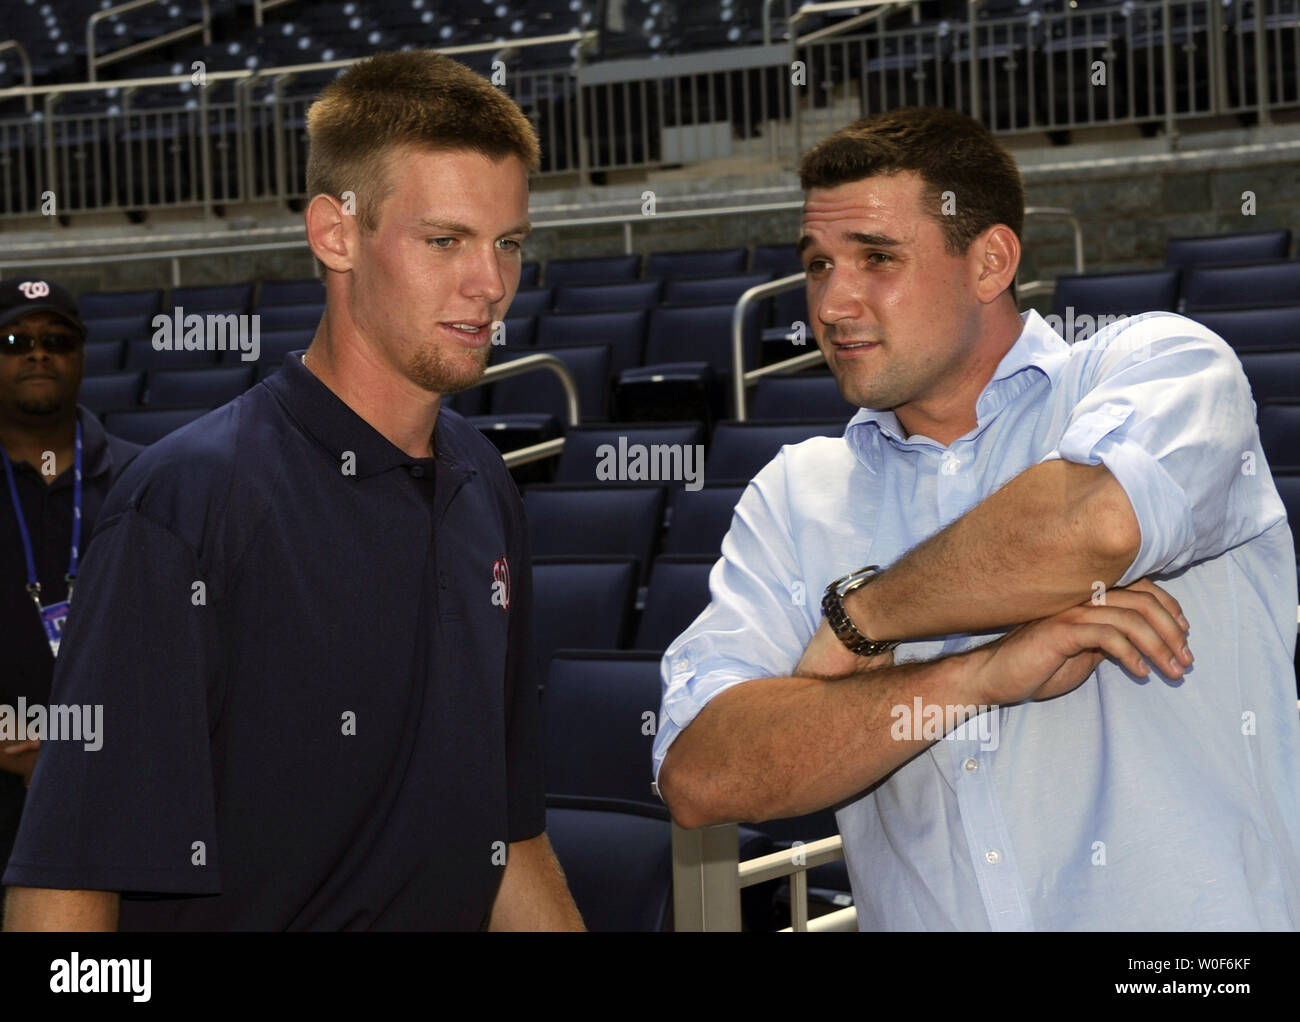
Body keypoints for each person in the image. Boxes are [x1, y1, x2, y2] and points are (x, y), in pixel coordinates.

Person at [654, 107, 1300, 930]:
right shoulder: (795, 495)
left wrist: (863, 619)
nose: (832, 301)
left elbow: (1095, 529)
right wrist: (977, 674)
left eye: (877, 258)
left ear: (990, 261)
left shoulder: (1160, 365)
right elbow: (702, 777)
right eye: (818, 264)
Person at [3, 51, 583, 931]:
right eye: (445, 240)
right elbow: (65, 889)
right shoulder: (188, 504)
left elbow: (509, 838)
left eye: (508, 243)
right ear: (334, 233)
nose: (491, 286)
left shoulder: (486, 485)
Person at [0, 278, 142, 873]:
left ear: (82, 355)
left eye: (58, 339)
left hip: (126, 788)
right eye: (15, 339)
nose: (38, 352)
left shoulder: (148, 479)